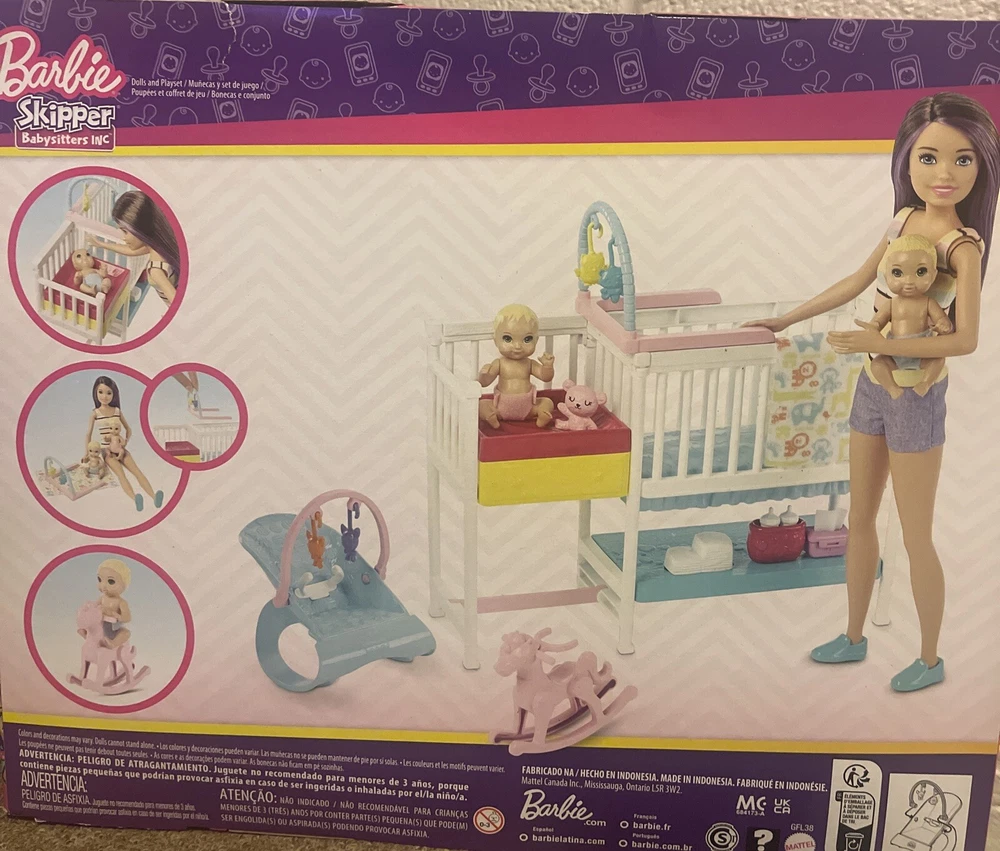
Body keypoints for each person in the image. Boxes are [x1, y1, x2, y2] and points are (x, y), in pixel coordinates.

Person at [744, 92, 1000, 693]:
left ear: (982, 167)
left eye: (963, 159)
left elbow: (965, 340)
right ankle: (854, 635)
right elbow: (857, 281)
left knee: (914, 534)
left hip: (915, 396)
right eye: (929, 157)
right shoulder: (903, 220)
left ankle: (930, 658)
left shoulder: (962, 246)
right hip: (872, 388)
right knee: (859, 518)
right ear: (905, 159)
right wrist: (786, 319)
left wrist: (876, 343)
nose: (944, 173)